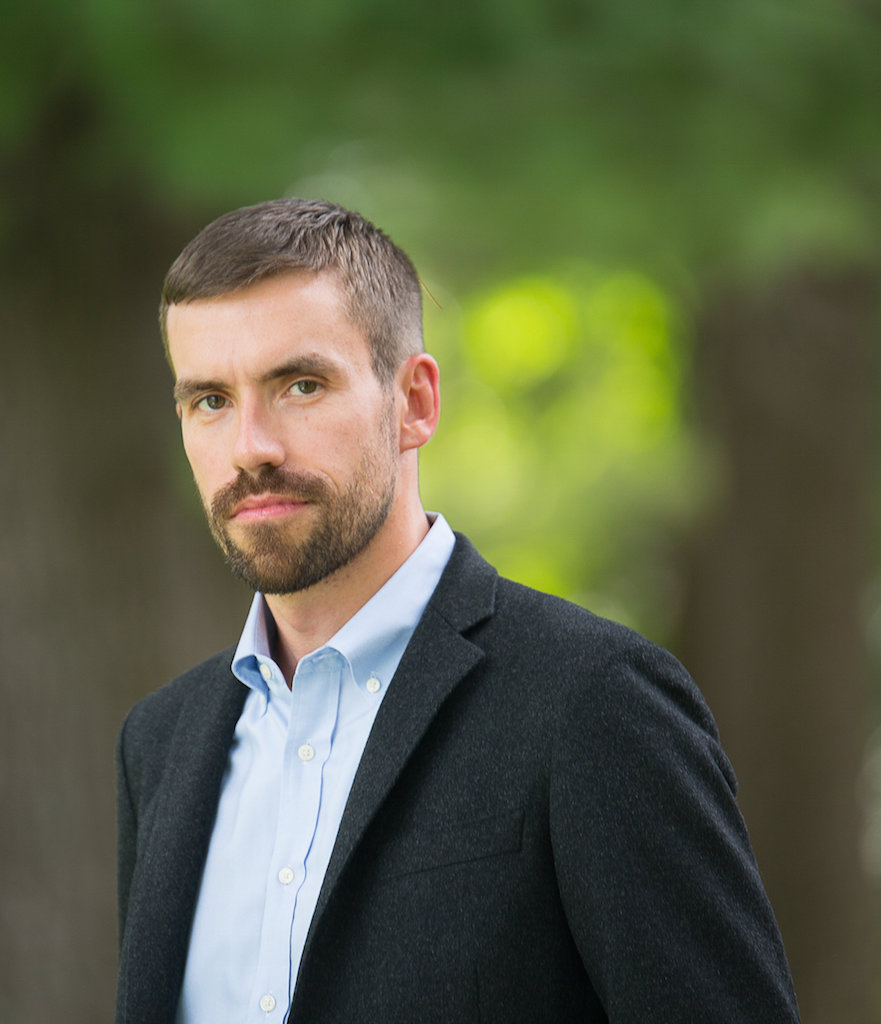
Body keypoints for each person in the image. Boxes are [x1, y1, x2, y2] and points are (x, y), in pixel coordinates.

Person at [115, 198, 800, 1024]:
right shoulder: (160, 746)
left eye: (300, 385)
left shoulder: (593, 703)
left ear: (414, 403)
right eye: (210, 401)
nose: (250, 447)